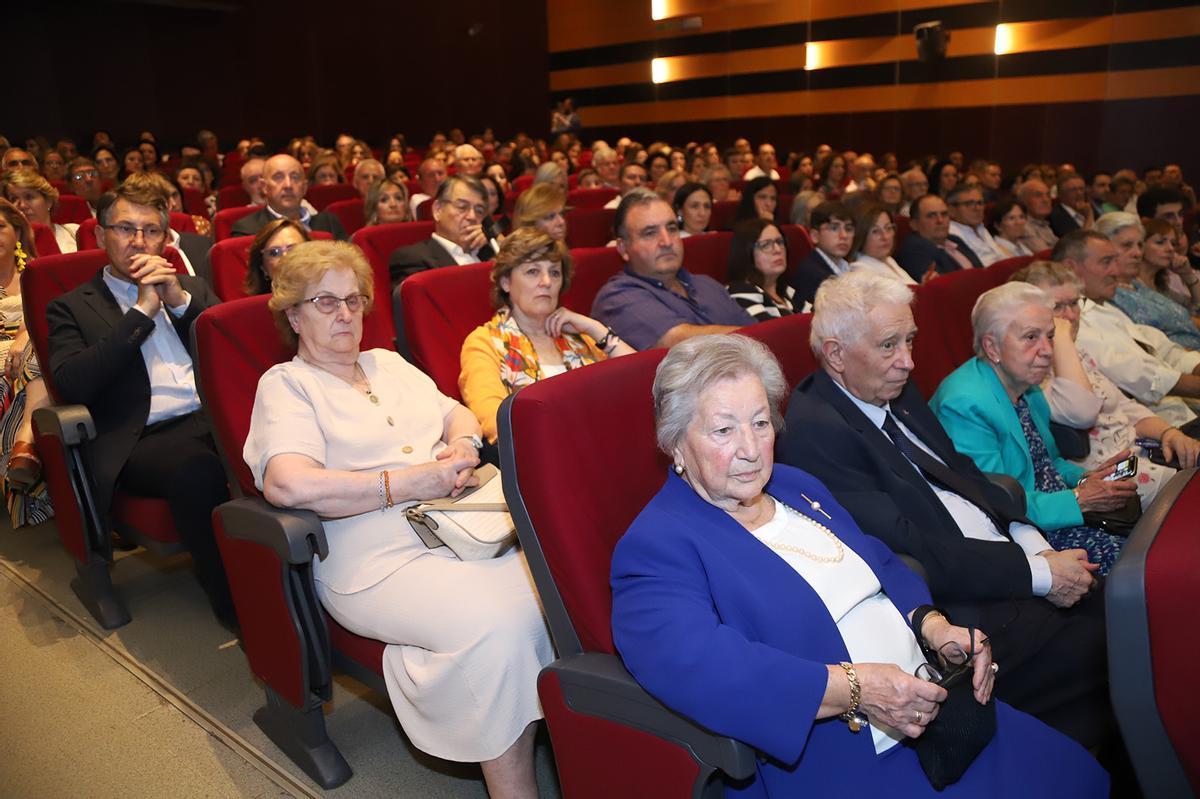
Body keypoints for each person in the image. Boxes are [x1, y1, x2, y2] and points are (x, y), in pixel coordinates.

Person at [613, 333, 1109, 798]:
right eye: (723, 430)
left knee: (1079, 777)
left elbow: (880, 559)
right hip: (842, 755)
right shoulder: (658, 546)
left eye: (760, 423)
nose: (749, 449)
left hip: (940, 715)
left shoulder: (792, 485)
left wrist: (934, 627)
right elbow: (704, 667)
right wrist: (856, 689)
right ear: (676, 444)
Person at [244, 240, 552, 798]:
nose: (344, 313)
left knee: (554, 594)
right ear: (293, 314)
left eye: (354, 300)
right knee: (501, 628)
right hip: (371, 558)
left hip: (460, 526)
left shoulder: (386, 363)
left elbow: (455, 410)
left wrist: (460, 446)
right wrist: (408, 483)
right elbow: (287, 482)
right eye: (324, 302)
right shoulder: (288, 385)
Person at [781, 269, 1115, 746]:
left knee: (1129, 606)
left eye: (911, 341)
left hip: (1004, 561)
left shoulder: (892, 386)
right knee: (1113, 648)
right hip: (960, 606)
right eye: (889, 346)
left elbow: (966, 476)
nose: (908, 362)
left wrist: (1031, 541)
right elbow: (909, 547)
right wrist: (1037, 574)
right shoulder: (816, 430)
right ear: (835, 354)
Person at [45, 180, 234, 625]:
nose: (139, 241)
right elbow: (73, 383)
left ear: (165, 240)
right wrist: (141, 314)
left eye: (151, 231)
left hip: (215, 417)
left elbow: (230, 352)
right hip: (143, 437)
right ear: (99, 235)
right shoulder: (71, 306)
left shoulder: (188, 287)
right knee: (199, 471)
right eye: (126, 228)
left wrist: (178, 302)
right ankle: (238, 610)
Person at [930, 282, 1136, 574]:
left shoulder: (1027, 387)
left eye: (1050, 336)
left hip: (1057, 513)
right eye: (1031, 337)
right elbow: (994, 504)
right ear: (992, 347)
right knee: (1135, 568)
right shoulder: (964, 404)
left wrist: (1089, 478)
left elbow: (1049, 463)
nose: (1048, 350)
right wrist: (1081, 498)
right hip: (1025, 538)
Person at [1013, 261, 1196, 507]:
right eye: (1057, 307)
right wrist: (1062, 339)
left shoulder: (1079, 353)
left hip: (1142, 451)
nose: (1070, 315)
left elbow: (1129, 410)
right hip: (1109, 478)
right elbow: (1081, 413)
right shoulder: (1032, 374)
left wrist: (1169, 433)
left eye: (1074, 303)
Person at [459, 229, 634, 443]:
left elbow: (641, 384)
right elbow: (497, 423)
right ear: (505, 282)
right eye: (533, 271)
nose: (546, 281)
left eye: (554, 272)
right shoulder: (484, 342)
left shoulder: (579, 336)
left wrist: (596, 328)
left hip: (606, 441)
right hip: (542, 453)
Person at [1061, 229, 1200, 428]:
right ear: (1071, 268)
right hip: (1156, 436)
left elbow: (1163, 349)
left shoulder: (1104, 307)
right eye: (1106, 262)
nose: (1116, 272)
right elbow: (1142, 377)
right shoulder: (1072, 324)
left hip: (1173, 426)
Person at [591, 189, 753, 350]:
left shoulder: (707, 284)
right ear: (624, 248)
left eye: (672, 228)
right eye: (650, 233)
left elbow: (757, 328)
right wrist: (759, 337)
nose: (667, 241)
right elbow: (680, 343)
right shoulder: (615, 297)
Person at [0, 200, 54, 526]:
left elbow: (48, 321)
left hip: (29, 354)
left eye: (0, 227)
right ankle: (26, 445)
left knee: (37, 352)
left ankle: (24, 440)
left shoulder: (38, 272)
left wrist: (25, 334)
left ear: (17, 231)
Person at [1102, 213, 1200, 348]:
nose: (1137, 252)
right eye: (1127, 245)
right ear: (1103, 249)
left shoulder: (1141, 286)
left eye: (1139, 245)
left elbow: (1192, 313)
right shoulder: (1107, 292)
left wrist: (1189, 276)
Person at [388, 176, 496, 284]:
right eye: (462, 207)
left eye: (479, 210)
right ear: (438, 210)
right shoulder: (412, 259)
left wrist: (497, 246)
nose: (472, 216)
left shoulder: (492, 253)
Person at [230, 154, 347, 240]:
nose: (288, 185)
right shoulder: (247, 229)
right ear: (264, 187)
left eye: (295, 177)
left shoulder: (330, 223)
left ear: (305, 187)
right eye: (278, 177)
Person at [895, 194, 983, 281]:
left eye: (944, 214)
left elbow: (981, 271)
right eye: (931, 216)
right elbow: (946, 287)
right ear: (914, 224)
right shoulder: (913, 249)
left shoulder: (954, 239)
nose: (940, 220)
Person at [788, 201, 854, 309]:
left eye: (848, 229)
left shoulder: (848, 267)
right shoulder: (811, 273)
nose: (844, 235)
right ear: (815, 236)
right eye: (834, 228)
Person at [726, 219, 795, 320]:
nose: (777, 249)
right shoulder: (740, 291)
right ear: (747, 253)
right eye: (766, 245)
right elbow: (770, 333)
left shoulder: (788, 291)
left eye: (780, 242)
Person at [2, 169, 79, 253]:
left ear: (48, 201)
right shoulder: (5, 242)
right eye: (13, 199)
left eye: (29, 197)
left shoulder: (75, 231)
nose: (22, 205)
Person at [851, 202, 915, 284]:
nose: (885, 237)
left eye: (888, 228)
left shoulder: (888, 260)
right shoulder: (861, 272)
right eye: (875, 231)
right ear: (861, 235)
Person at [245, 218, 311, 295]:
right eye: (274, 253)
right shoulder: (254, 306)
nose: (286, 259)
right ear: (263, 268)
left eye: (294, 250)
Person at [947, 184, 1005, 266]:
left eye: (980, 203)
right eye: (969, 203)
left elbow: (999, 256)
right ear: (952, 210)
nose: (977, 208)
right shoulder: (951, 234)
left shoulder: (981, 228)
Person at [1015, 180, 1058, 253]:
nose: (1045, 200)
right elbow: (1047, 256)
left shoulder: (1045, 223)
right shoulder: (1023, 226)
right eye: (1038, 195)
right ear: (1024, 201)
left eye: (1048, 195)